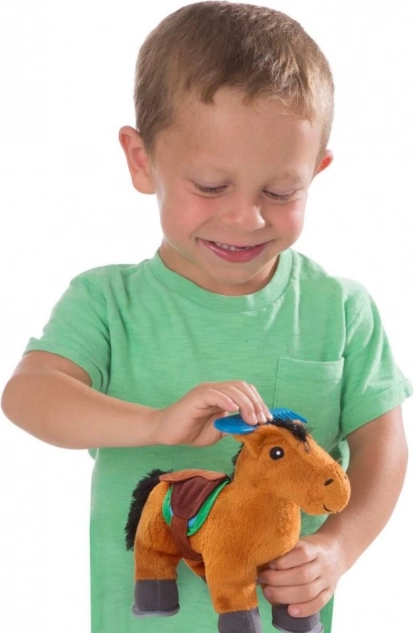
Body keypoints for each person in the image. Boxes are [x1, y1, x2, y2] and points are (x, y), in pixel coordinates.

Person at [1, 2, 411, 632]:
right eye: (212, 186)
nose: (247, 218)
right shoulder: (106, 302)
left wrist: (339, 547)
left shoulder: (341, 309)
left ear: (316, 171)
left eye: (280, 192)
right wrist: (155, 423)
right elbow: (28, 395)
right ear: (142, 161)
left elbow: (384, 448)